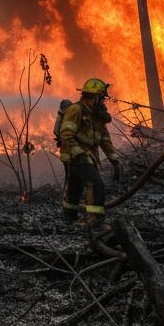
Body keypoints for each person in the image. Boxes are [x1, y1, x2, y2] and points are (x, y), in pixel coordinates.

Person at [57, 78, 120, 228]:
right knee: (95, 183)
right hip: (75, 154)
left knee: (75, 185)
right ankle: (95, 220)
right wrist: (78, 153)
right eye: (102, 98)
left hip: (87, 155)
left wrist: (114, 160)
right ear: (95, 97)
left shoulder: (96, 115)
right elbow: (66, 133)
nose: (103, 102)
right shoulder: (76, 110)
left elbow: (104, 139)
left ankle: (69, 216)